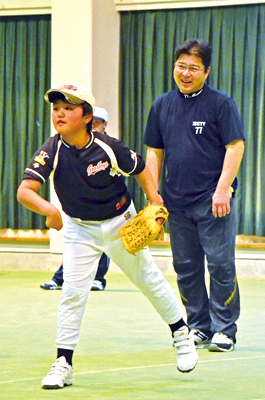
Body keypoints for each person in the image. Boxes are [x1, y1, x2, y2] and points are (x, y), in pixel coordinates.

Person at [17, 82, 198, 390]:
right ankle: (64, 363)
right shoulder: (52, 149)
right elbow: (25, 191)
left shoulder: (108, 146)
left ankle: (182, 334)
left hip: (119, 223)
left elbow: (140, 168)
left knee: (149, 279)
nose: (59, 114)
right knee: (73, 293)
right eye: (56, 109)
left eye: (68, 109)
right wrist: (50, 211)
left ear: (87, 116)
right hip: (79, 228)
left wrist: (155, 200)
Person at [143, 39, 245, 352]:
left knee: (220, 265)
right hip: (176, 203)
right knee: (186, 268)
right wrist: (154, 197)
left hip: (213, 201)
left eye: (194, 68)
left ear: (206, 72)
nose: (186, 73)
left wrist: (221, 189)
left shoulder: (221, 104)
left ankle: (224, 329)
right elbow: (154, 153)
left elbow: (235, 146)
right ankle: (199, 326)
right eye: (181, 66)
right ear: (175, 67)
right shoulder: (162, 105)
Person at [40, 106, 111, 292]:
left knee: (105, 244)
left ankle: (98, 279)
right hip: (79, 208)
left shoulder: (110, 147)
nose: (93, 126)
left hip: (106, 208)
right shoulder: (70, 145)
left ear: (105, 125)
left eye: (97, 123)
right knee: (73, 248)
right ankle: (59, 278)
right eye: (91, 122)